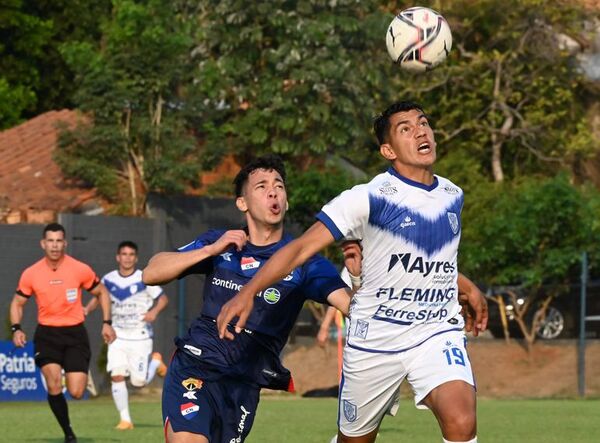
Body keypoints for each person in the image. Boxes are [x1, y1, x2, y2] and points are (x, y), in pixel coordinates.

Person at [217, 101, 488, 443]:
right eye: (406, 128)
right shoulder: (366, 198)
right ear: (388, 149)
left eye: (424, 123)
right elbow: (300, 248)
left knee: (461, 421)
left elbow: (431, 258)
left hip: (435, 331)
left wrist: (467, 286)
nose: (421, 131)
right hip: (374, 340)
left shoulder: (453, 195)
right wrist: (247, 292)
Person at [142, 155, 359, 443]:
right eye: (261, 186)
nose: (273, 192)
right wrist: (209, 251)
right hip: (197, 366)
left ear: (287, 200)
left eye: (279, 186)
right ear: (242, 203)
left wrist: (357, 279)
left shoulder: (305, 263)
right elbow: (151, 272)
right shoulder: (221, 243)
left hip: (244, 384)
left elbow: (352, 308)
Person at [9, 222, 116, 443]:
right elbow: (17, 303)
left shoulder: (79, 269)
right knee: (54, 383)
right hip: (47, 334)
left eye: (59, 241)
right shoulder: (31, 273)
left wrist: (107, 322)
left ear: (65, 243)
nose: (55, 245)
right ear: (43, 243)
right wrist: (16, 329)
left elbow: (102, 292)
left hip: (75, 334)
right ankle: (68, 433)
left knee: (77, 392)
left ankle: (74, 373)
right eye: (51, 240)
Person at [84, 240, 169, 430]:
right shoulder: (109, 279)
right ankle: (125, 420)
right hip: (117, 336)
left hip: (140, 335)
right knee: (117, 374)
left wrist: (154, 312)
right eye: (124, 254)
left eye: (131, 255)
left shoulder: (144, 277)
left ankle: (155, 362)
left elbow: (163, 299)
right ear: (118, 257)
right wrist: (87, 310)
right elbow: (99, 296)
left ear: (136, 258)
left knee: (139, 382)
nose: (127, 258)